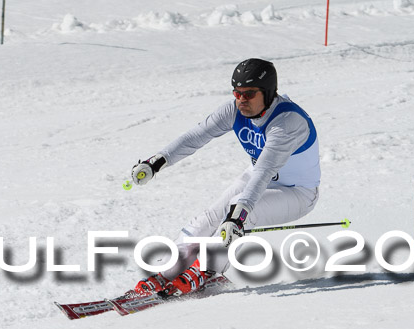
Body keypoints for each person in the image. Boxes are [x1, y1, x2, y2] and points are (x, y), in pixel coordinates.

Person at [130, 58, 321, 296]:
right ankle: (169, 272)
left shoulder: (287, 123)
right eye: (237, 93)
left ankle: (207, 271)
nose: (241, 99)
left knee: (237, 212)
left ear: (269, 92)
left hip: (297, 192)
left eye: (249, 93)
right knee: (207, 220)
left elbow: (265, 170)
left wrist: (239, 216)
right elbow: (197, 136)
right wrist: (157, 161)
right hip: (258, 177)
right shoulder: (234, 110)